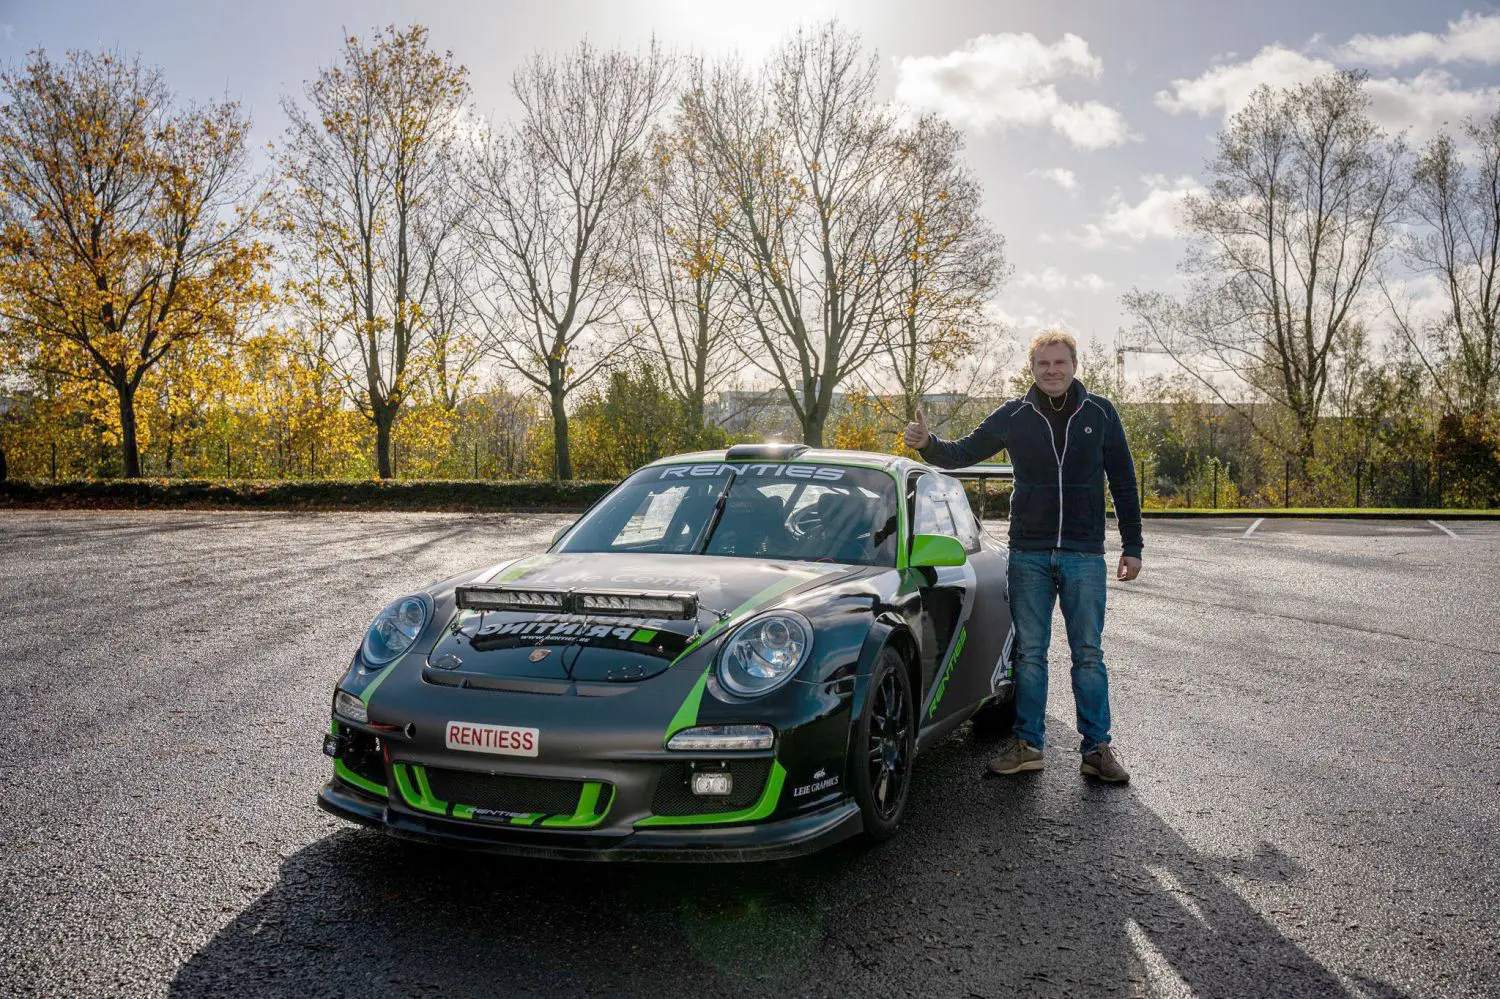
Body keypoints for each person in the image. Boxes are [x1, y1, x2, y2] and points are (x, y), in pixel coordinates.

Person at [904, 329, 1142, 783]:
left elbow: (1125, 484)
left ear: (1074, 367)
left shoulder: (1101, 414)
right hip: (1028, 554)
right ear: (1031, 369)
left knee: (1088, 653)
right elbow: (962, 453)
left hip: (1083, 554)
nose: (1052, 371)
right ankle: (1029, 745)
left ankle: (1097, 749)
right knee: (1029, 655)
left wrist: (1133, 546)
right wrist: (927, 443)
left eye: (1059, 364)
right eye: (1043, 364)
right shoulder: (1014, 414)